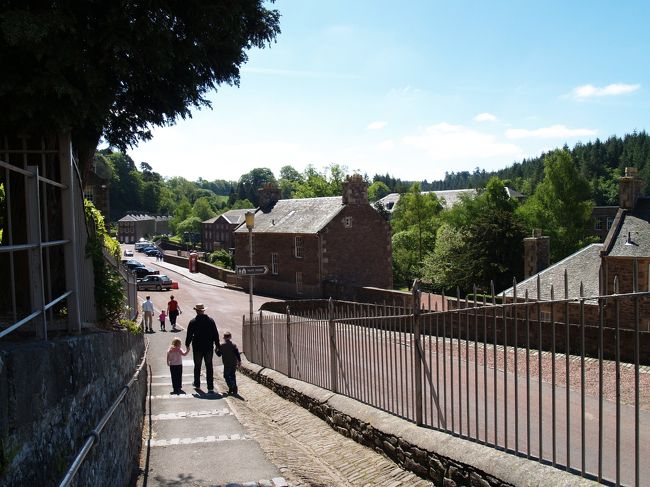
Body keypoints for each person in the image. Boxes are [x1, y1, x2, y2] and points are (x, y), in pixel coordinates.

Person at [185, 303, 220, 393]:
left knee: (197, 366)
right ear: (203, 311)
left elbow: (189, 334)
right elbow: (215, 334)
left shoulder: (193, 322)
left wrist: (187, 344)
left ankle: (197, 383)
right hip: (208, 347)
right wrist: (217, 345)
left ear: (196, 311)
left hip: (197, 347)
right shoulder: (210, 321)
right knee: (209, 366)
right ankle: (210, 387)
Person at [217, 331, 241, 395]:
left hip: (227, 363)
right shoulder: (233, 345)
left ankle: (231, 387)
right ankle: (234, 388)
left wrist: (215, 349)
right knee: (232, 375)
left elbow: (219, 354)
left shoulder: (222, 345)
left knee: (226, 376)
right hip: (233, 363)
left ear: (224, 337)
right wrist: (239, 361)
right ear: (230, 337)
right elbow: (237, 354)